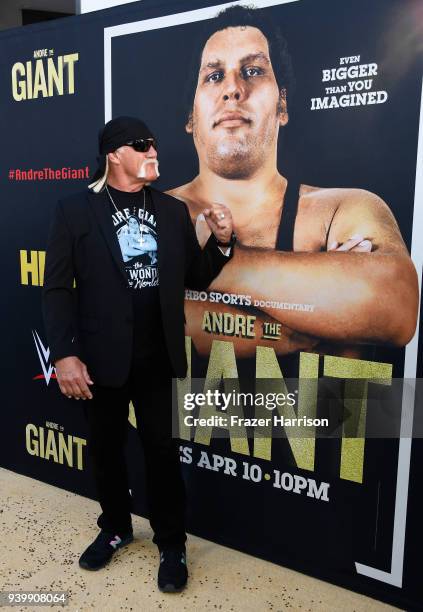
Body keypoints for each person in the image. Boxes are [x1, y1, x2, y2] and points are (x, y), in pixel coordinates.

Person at [42, 116, 234, 592]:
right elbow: (56, 289)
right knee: (107, 452)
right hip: (101, 358)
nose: (154, 152)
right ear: (114, 154)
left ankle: (172, 542)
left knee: (162, 453)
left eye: (154, 145)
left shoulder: (171, 211)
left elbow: (194, 279)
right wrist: (64, 355)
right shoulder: (75, 210)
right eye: (142, 145)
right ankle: (115, 528)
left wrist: (223, 243)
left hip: (158, 357)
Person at [167, 5, 418, 364]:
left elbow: (395, 305)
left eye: (252, 71)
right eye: (213, 76)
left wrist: (205, 263)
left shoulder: (341, 210)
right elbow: (144, 321)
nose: (233, 89)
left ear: (282, 105)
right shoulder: (147, 212)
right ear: (191, 117)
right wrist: (306, 326)